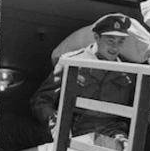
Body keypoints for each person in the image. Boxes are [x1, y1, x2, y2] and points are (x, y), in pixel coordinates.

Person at [30, 13, 135, 144]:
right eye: (110, 41)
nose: (115, 47)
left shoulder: (126, 73)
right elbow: (41, 100)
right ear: (97, 37)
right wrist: (56, 123)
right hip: (73, 131)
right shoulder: (72, 62)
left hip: (110, 133)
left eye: (120, 42)